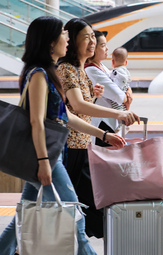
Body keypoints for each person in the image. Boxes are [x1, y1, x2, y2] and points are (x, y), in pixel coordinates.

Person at [0, 16, 126, 255]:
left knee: (25, 216)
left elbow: (65, 117)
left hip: (50, 154)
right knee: (73, 213)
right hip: (47, 156)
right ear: (49, 42)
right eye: (63, 34)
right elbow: (36, 121)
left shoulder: (49, 73)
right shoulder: (38, 74)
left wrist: (103, 134)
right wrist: (43, 162)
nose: (67, 39)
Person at [57, 18, 138, 239]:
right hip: (68, 147)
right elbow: (77, 107)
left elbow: (83, 108)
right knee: (74, 203)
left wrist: (94, 96)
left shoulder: (80, 70)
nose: (92, 41)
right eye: (86, 37)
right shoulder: (67, 69)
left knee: (84, 203)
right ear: (72, 41)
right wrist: (118, 115)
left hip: (81, 145)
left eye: (93, 36)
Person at [85, 31, 133, 143]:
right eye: (103, 45)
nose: (107, 49)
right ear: (92, 48)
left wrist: (128, 90)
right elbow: (119, 96)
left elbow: (121, 87)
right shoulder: (91, 70)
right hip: (103, 125)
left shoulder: (101, 67)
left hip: (110, 124)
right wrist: (126, 94)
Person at [110, 47, 133, 111]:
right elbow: (128, 80)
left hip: (118, 98)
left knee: (118, 111)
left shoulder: (115, 72)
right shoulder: (126, 71)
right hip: (124, 93)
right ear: (126, 62)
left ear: (113, 62)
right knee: (124, 110)